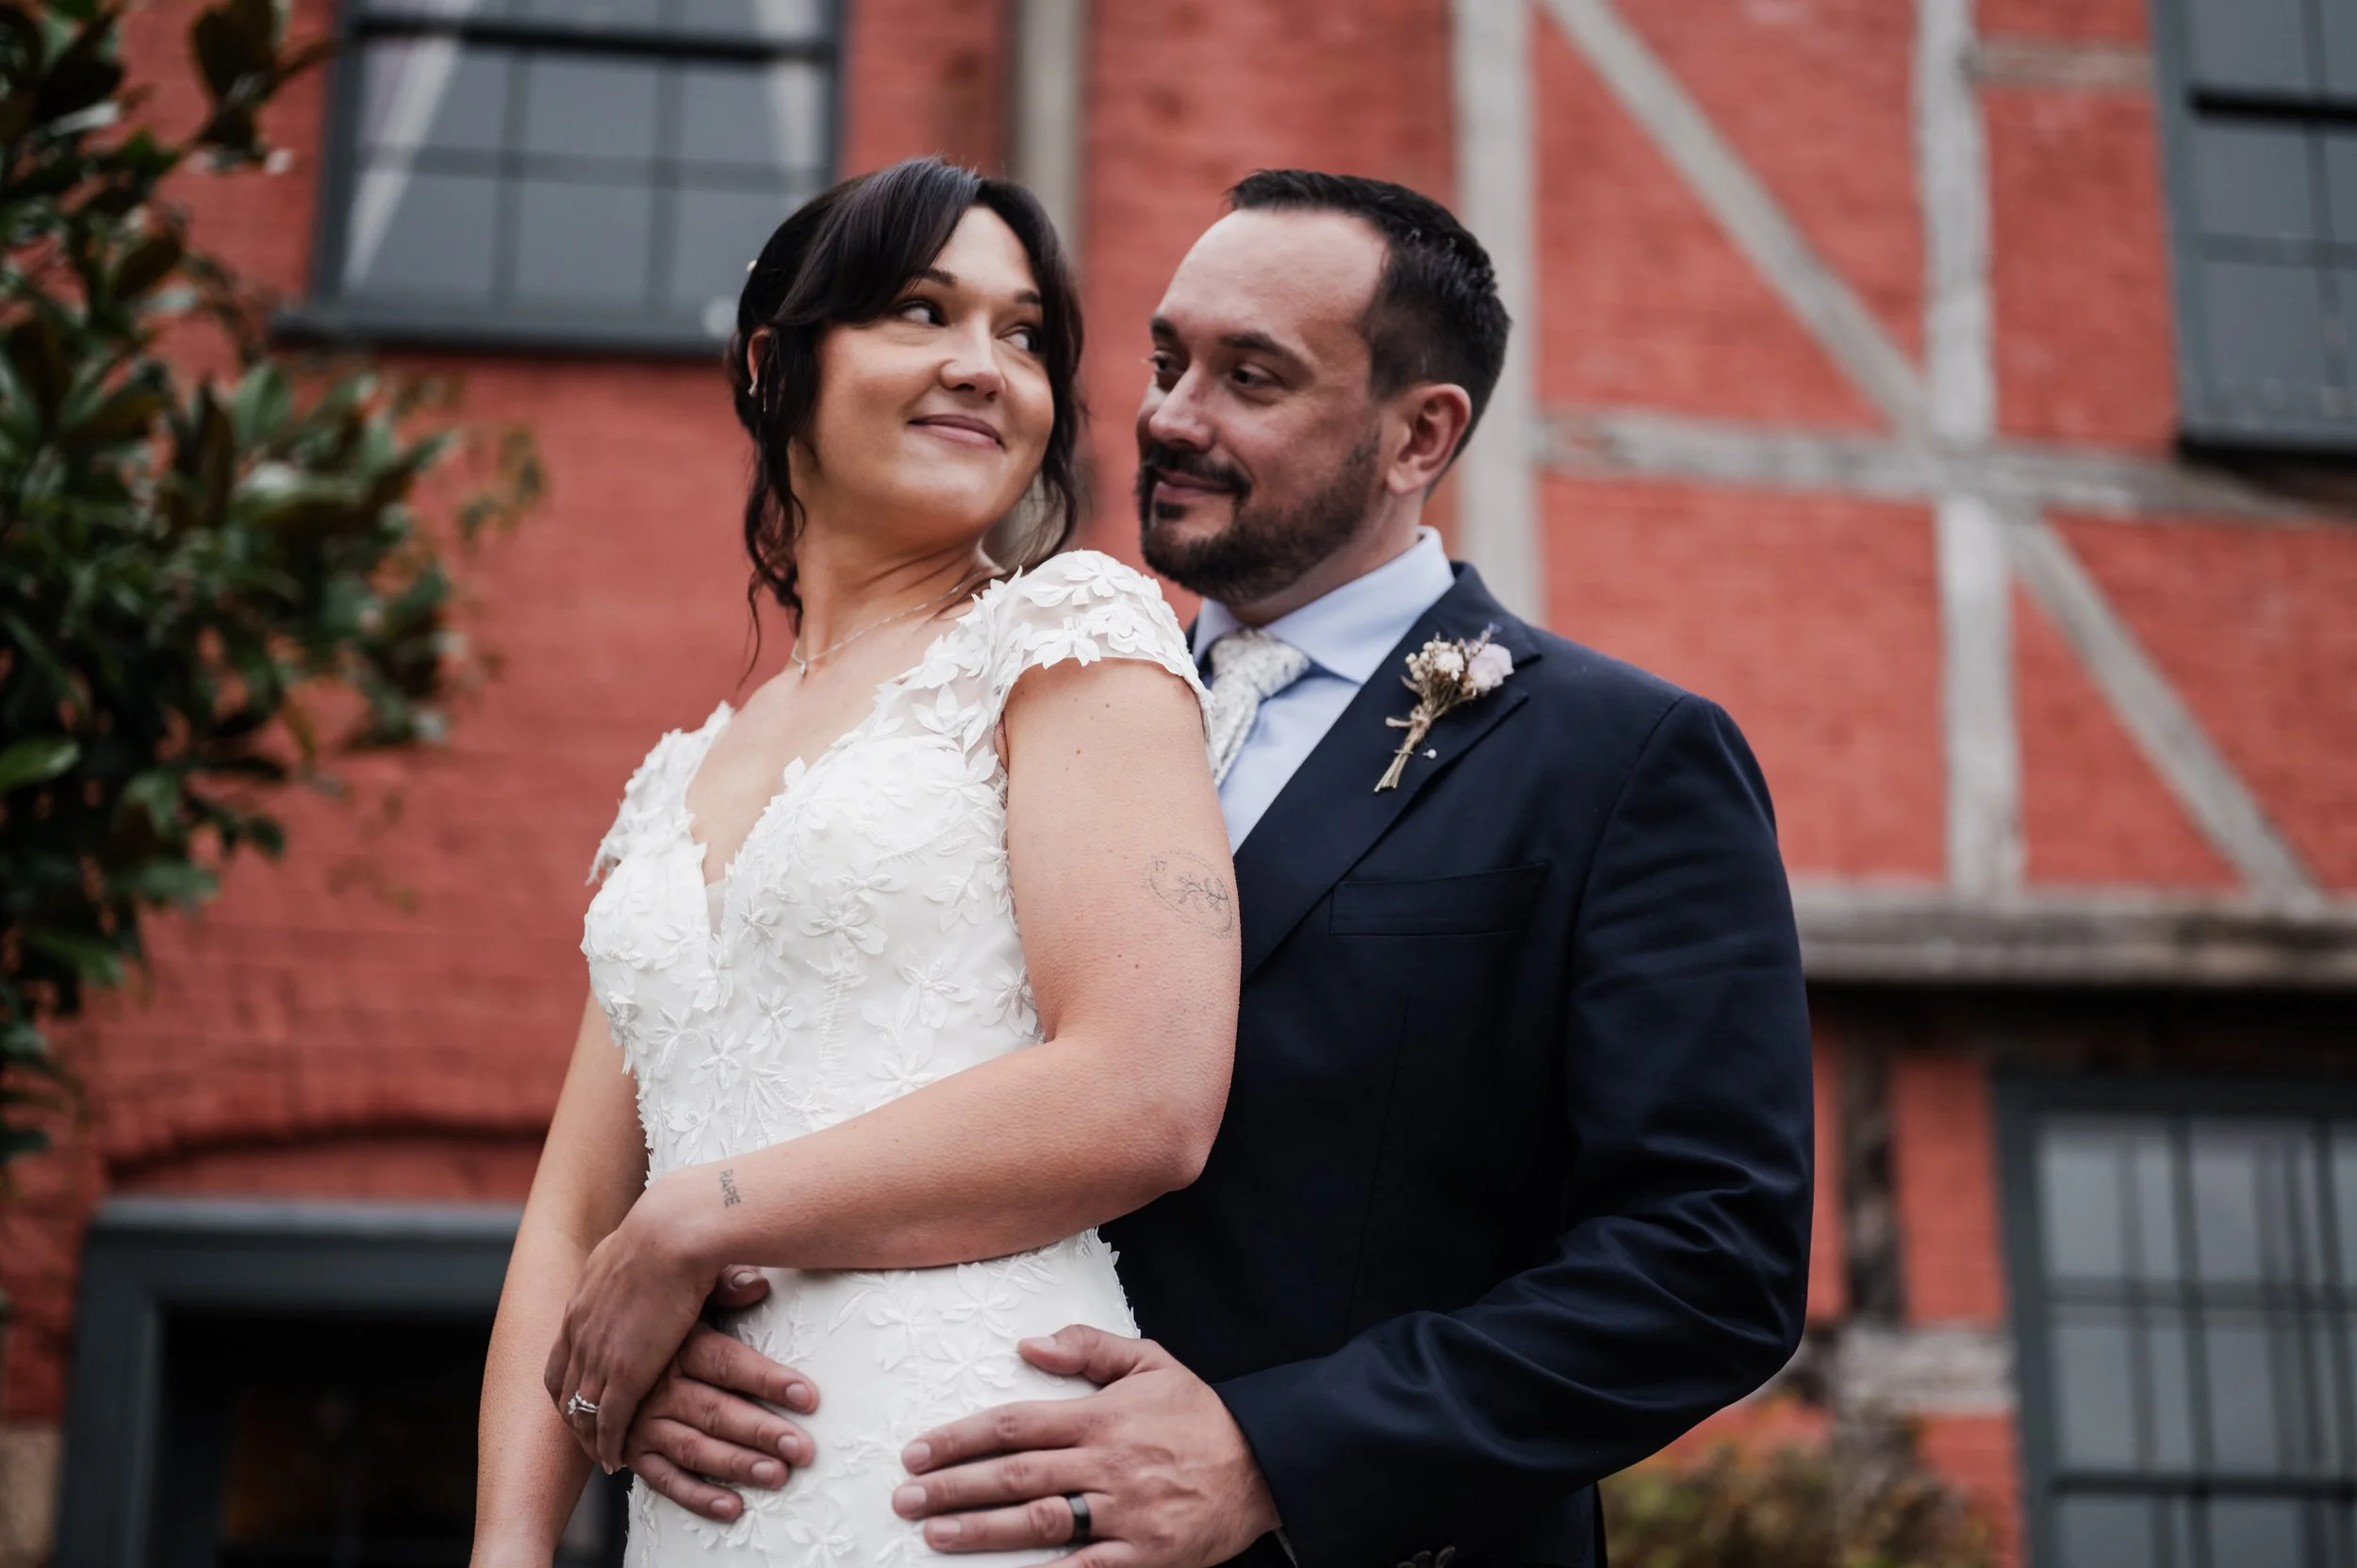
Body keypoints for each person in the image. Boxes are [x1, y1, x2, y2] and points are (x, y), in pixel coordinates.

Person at [627, 171, 1816, 1568]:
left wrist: (1279, 1450)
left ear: (1419, 433)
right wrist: (712, 1331)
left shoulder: (1619, 759)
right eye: (1165, 359)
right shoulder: (991, 722)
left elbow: (1711, 1260)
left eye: (1251, 376)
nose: (1171, 418)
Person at [469, 157, 1241, 1568]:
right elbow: (574, 1214)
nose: (983, 368)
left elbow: (1148, 1089)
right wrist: (511, 1547)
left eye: (1024, 337)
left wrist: (701, 1217)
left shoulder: (1070, 636)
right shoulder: (677, 774)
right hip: (694, 1519)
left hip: (963, 1476)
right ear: (777, 363)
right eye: (921, 310)